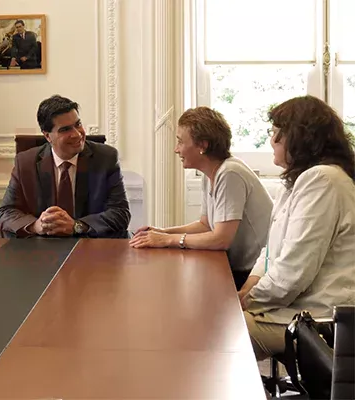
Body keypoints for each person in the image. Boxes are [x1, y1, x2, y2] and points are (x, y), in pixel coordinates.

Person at [239, 95, 355, 361]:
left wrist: (247, 300)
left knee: (220, 330)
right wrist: (248, 288)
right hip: (296, 308)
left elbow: (294, 271)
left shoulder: (323, 180)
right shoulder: (296, 181)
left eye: (277, 132)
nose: (272, 140)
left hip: (321, 319)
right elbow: (271, 252)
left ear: (300, 137)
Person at [130, 107, 272, 290]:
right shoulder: (211, 172)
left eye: (180, 142)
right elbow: (205, 225)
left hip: (252, 274)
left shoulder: (230, 173)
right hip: (235, 268)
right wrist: (163, 232)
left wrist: (167, 240)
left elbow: (221, 239)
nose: (176, 149)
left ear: (202, 146)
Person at [0, 95, 130, 237]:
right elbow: (5, 212)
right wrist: (36, 226)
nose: (77, 134)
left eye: (78, 124)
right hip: (39, 250)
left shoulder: (105, 158)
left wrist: (76, 226)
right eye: (65, 129)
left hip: (90, 248)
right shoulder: (25, 162)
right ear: (48, 136)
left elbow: (120, 213)